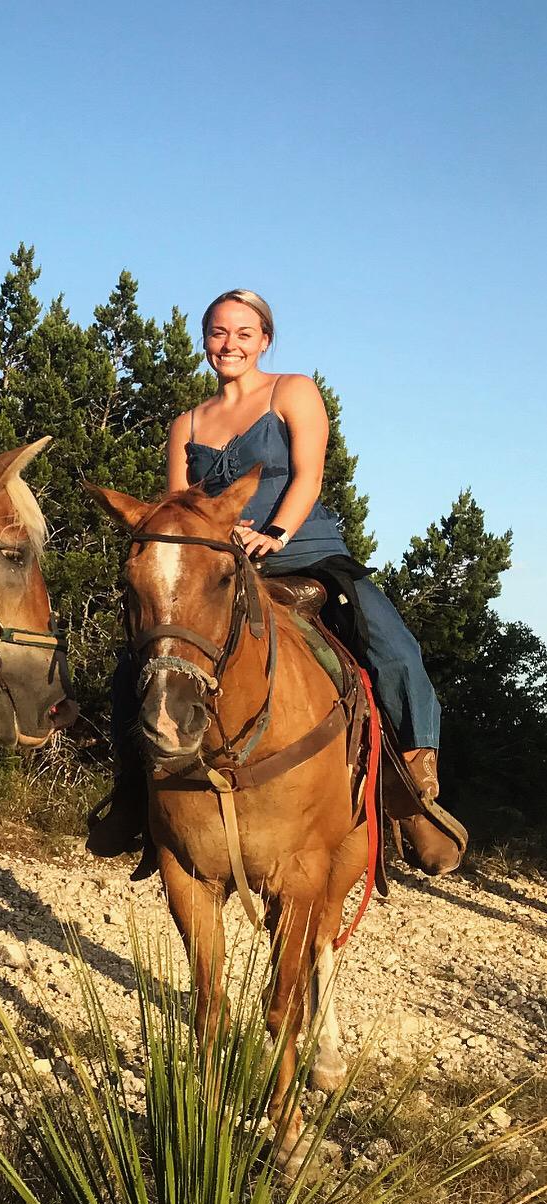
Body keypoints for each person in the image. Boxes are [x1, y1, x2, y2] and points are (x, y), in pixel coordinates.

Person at [91, 288, 465, 876]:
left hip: (303, 551)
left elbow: (309, 475)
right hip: (218, 563)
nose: (230, 344)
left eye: (244, 333)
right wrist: (209, 535)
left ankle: (414, 794)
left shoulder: (293, 390)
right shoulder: (185, 423)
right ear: (205, 340)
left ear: (264, 340)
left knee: (392, 647)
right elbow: (177, 504)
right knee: (138, 665)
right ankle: (134, 793)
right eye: (219, 332)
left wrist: (275, 534)